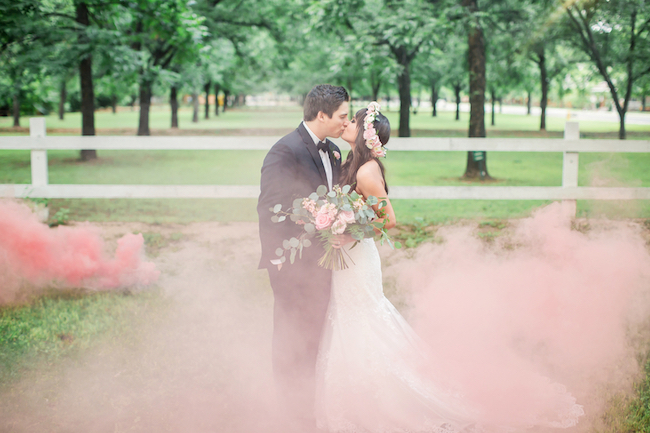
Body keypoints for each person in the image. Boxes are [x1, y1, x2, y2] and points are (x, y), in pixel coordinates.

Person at [314, 103, 585, 432]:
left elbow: (390, 220)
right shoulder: (350, 163)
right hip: (348, 258)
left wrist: (349, 233)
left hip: (358, 257)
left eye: (353, 120)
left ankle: (390, 400)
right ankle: (354, 399)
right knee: (347, 319)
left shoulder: (367, 171)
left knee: (365, 321)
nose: (347, 123)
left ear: (365, 135)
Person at [257, 84, 349, 429]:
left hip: (323, 263)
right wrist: (282, 263)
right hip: (293, 265)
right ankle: (290, 411)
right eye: (341, 116)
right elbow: (270, 210)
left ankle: (312, 403)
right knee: (291, 336)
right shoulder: (285, 151)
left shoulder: (335, 152)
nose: (345, 122)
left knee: (318, 333)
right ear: (321, 115)